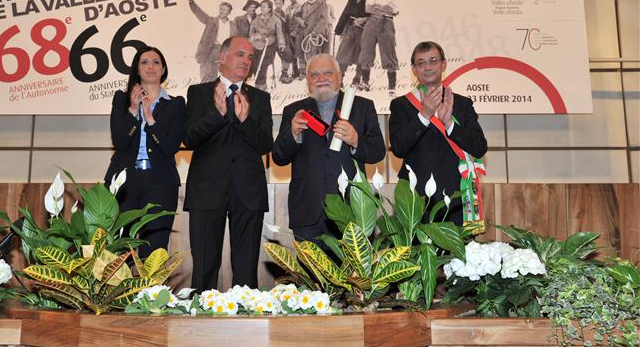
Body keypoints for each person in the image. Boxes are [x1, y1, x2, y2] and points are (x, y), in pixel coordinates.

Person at [183, 36, 273, 291]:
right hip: (206, 190)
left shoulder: (260, 98)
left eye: (250, 57)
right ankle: (202, 312)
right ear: (222, 57)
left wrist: (246, 120)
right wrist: (217, 114)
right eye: (240, 54)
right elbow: (188, 138)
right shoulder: (199, 93)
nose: (246, 61)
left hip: (248, 192)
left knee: (246, 269)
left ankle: (244, 312)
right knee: (204, 266)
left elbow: (266, 145)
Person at [272, 54, 385, 242]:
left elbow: (378, 152)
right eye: (314, 74)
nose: (321, 79)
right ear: (307, 80)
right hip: (308, 212)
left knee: (352, 264)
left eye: (327, 73)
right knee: (308, 263)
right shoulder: (294, 111)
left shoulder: (362, 107)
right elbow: (278, 157)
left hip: (351, 210)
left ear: (339, 77)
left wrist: (356, 140)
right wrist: (293, 134)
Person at [389, 41, 487, 226]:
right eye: (421, 63)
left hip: (457, 196)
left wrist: (449, 124)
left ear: (443, 64)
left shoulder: (462, 104)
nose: (427, 67)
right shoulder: (401, 105)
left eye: (433, 61)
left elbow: (479, 147)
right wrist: (424, 115)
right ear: (414, 70)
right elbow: (399, 148)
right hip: (415, 197)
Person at [104, 46, 185, 256]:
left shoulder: (176, 104)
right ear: (137, 69)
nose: (151, 66)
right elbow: (120, 142)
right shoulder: (121, 99)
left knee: (154, 251)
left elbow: (170, 147)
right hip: (124, 183)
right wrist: (133, 110)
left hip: (160, 184)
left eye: (156, 62)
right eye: (145, 62)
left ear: (163, 69)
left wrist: (150, 120)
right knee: (119, 250)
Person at [357, 0, 400, 96]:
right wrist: (382, 9)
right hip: (371, 23)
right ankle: (365, 82)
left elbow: (394, 11)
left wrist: (378, 7)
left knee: (388, 53)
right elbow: (367, 8)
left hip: (387, 23)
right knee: (366, 51)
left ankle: (391, 88)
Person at [182, 0, 237, 83]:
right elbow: (199, 14)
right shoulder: (211, 21)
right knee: (207, 76)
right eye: (221, 9)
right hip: (211, 51)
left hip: (225, 52)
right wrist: (191, 2)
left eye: (224, 9)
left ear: (229, 12)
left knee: (225, 79)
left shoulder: (233, 25)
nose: (222, 11)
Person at [335, 0, 373, 88]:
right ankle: (339, 79)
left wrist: (364, 19)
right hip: (350, 29)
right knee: (343, 53)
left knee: (362, 54)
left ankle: (357, 79)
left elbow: (378, 15)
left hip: (365, 30)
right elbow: (345, 14)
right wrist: (338, 29)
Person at [249, 0, 286, 90]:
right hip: (257, 44)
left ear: (269, 9)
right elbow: (251, 32)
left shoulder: (276, 20)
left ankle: (261, 85)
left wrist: (281, 44)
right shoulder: (256, 19)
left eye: (264, 7)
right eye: (261, 7)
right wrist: (255, 36)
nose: (261, 8)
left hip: (269, 45)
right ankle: (259, 83)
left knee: (263, 64)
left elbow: (279, 33)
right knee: (254, 63)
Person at [297, 0, 328, 80]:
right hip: (304, 32)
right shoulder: (305, 4)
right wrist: (300, 21)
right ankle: (303, 72)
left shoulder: (321, 3)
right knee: (302, 52)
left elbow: (324, 19)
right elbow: (297, 15)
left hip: (314, 34)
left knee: (314, 53)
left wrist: (316, 31)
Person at [284, 0, 303, 81]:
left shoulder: (300, 7)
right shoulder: (287, 8)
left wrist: (295, 31)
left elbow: (301, 21)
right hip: (289, 33)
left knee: (299, 52)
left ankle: (302, 72)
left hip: (298, 33)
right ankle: (295, 72)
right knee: (291, 52)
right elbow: (286, 21)